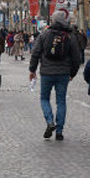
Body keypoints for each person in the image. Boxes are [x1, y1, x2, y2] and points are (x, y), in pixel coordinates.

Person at [29, 11, 82, 141]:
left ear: (52, 20)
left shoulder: (44, 34)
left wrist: (32, 70)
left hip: (46, 72)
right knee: (61, 101)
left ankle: (49, 121)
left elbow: (35, 53)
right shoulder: (70, 36)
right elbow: (76, 57)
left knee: (44, 99)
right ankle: (59, 131)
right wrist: (72, 73)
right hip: (63, 73)